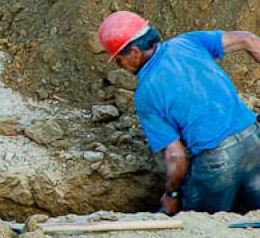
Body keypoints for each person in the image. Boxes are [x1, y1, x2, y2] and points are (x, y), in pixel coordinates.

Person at [97, 11, 260, 216]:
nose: (121, 67)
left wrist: (172, 195)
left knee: (197, 222)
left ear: (135, 52)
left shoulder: (146, 93)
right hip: (254, 142)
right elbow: (247, 39)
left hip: (218, 161)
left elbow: (176, 155)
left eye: (120, 61)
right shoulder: (189, 42)